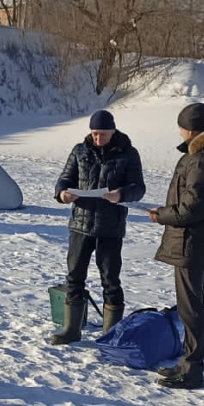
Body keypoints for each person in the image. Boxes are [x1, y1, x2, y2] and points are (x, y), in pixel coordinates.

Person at [147, 102, 204, 389]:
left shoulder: (202, 158)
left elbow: (193, 208)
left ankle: (192, 369)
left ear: (188, 129)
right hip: (196, 242)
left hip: (192, 243)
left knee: (191, 309)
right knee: (191, 306)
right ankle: (188, 364)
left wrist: (161, 215)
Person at [52, 109, 146, 345]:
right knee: (74, 276)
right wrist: (62, 193)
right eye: (94, 133)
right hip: (80, 224)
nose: (97, 138)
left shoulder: (128, 153)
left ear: (113, 131)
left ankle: (111, 335)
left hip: (110, 227)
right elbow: (65, 178)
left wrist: (121, 194)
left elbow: (139, 187)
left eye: (102, 134)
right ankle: (71, 329)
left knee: (110, 280)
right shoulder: (80, 151)